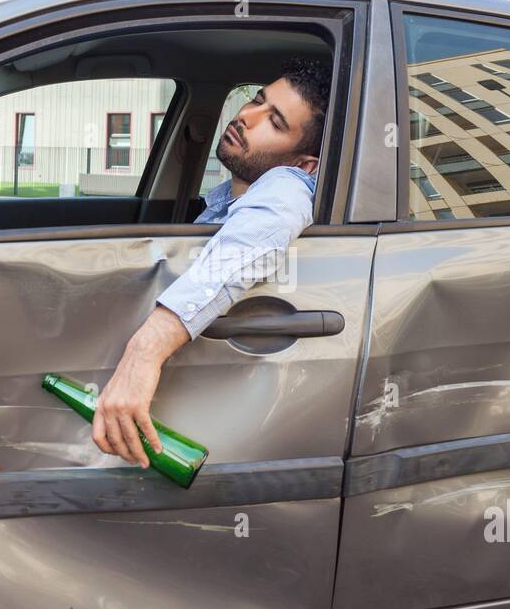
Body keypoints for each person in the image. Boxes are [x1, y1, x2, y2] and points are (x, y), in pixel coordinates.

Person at [91, 56, 333, 468]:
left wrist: (146, 350)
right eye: (257, 99)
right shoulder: (228, 199)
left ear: (304, 164)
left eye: (274, 122)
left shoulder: (287, 186)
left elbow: (262, 232)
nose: (246, 116)